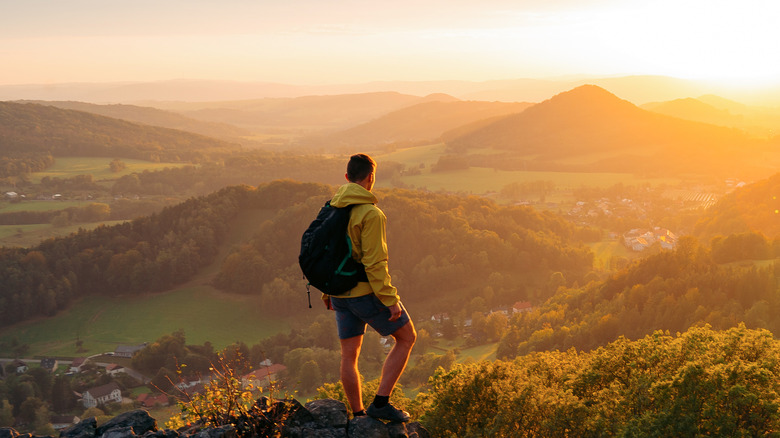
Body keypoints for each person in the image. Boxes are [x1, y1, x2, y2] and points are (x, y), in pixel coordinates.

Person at [323, 153, 416, 422]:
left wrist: (327, 291)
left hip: (338, 293)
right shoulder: (371, 213)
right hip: (363, 293)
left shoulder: (333, 208)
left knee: (349, 356)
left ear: (347, 178)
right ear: (371, 178)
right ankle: (381, 403)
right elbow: (375, 263)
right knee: (407, 337)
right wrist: (390, 300)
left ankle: (359, 414)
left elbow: (327, 254)